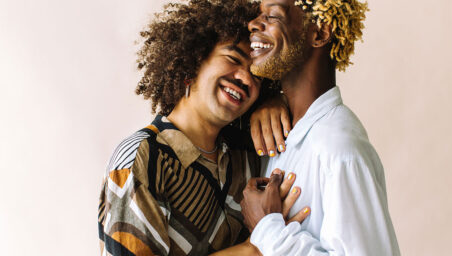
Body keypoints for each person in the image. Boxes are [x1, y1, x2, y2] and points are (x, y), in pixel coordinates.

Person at [97, 0, 308, 255]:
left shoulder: (245, 149)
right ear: (194, 61)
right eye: (233, 59)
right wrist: (253, 249)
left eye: (258, 76)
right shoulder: (141, 160)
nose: (245, 78)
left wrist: (278, 100)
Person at [241, 0, 401, 255]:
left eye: (272, 15)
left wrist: (267, 229)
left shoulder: (340, 149)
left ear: (319, 33)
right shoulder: (282, 133)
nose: (253, 24)